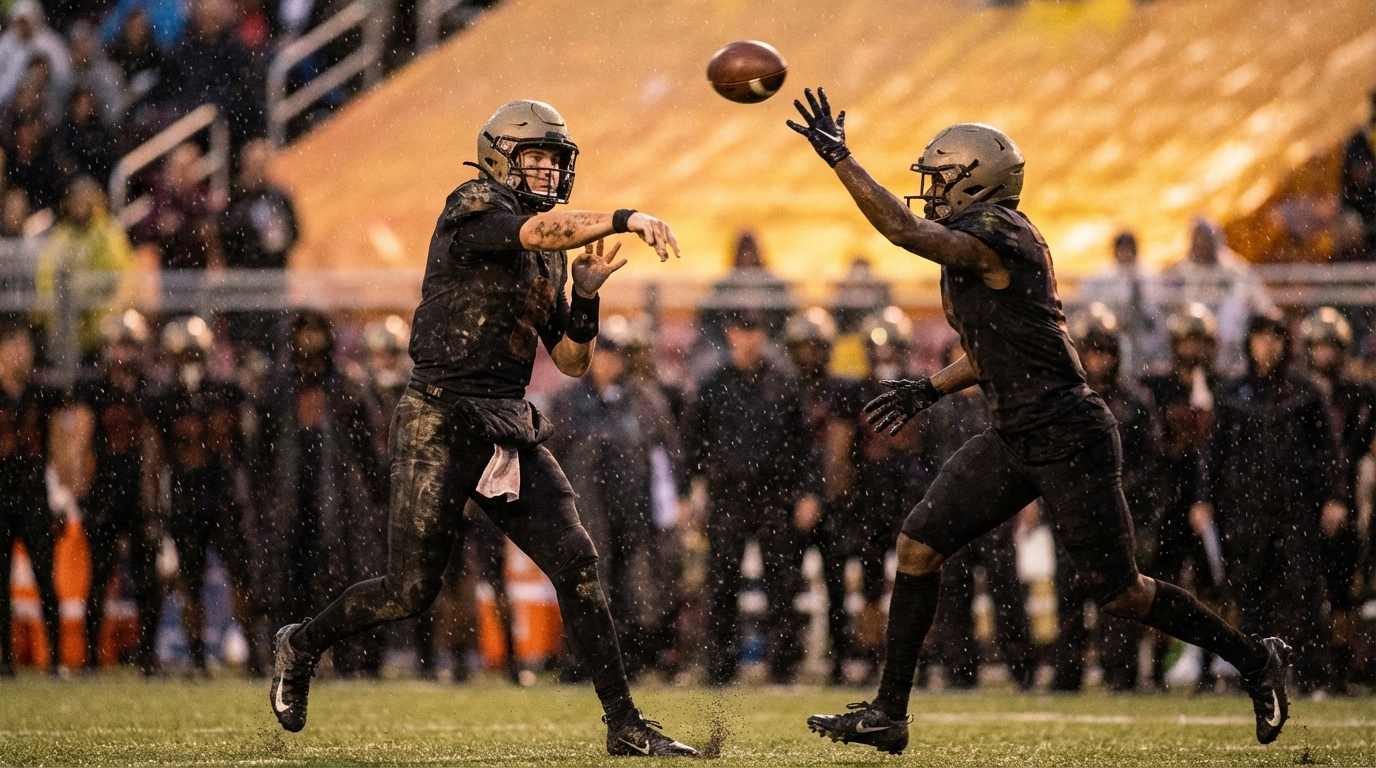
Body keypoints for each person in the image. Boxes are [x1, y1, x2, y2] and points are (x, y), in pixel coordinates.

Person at [787, 88, 1291, 753]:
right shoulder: (980, 242)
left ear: (978, 180)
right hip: (1016, 431)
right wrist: (929, 389)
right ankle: (889, 712)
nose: (931, 191)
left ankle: (1256, 659)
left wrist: (842, 161)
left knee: (1120, 593)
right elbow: (996, 347)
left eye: (940, 178)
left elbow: (904, 232)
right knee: (919, 545)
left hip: (1068, 433)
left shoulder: (1001, 233)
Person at [267, 99, 696, 757]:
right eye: (537, 157)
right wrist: (626, 218)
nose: (549, 171)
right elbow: (535, 233)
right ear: (500, 157)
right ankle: (301, 644)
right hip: (437, 416)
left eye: (556, 160)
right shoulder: (471, 203)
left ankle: (625, 725)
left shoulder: (551, 251)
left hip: (503, 422)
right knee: (409, 591)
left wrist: (585, 297)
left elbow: (575, 362)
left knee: (578, 562)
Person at [1193, 312, 1344, 694]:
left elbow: (1329, 452)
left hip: (1296, 510)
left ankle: (1312, 678)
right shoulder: (1231, 394)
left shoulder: (1306, 393)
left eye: (1275, 336)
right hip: (1245, 512)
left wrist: (1334, 497)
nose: (1268, 344)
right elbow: (1214, 453)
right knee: (1248, 596)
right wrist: (1203, 498)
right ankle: (1257, 679)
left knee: (1304, 595)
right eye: (1260, 336)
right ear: (1249, 342)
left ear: (1286, 342)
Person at [684, 308, 818, 687]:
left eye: (756, 330)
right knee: (722, 582)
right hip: (728, 497)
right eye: (743, 330)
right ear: (730, 334)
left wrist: (809, 491)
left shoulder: (784, 382)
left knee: (783, 583)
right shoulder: (713, 384)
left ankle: (783, 668)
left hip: (776, 497)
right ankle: (720, 668)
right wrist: (688, 493)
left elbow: (805, 442)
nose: (750, 338)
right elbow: (692, 442)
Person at [547, 319, 686, 679]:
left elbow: (666, 454)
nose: (610, 362)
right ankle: (582, 659)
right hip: (585, 509)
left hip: (634, 509)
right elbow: (549, 455)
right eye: (604, 354)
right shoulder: (568, 401)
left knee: (634, 587)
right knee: (588, 583)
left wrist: (671, 503)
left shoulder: (645, 400)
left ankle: (628, 660)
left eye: (616, 355)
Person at [259, 311, 388, 677]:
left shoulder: (345, 386)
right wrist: (265, 499)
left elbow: (367, 453)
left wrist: (378, 495)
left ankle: (346, 659)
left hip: (340, 501)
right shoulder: (280, 388)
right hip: (293, 498)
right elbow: (262, 454)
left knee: (342, 582)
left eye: (316, 333)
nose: (310, 342)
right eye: (305, 334)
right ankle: (294, 654)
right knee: (291, 582)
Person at [148, 316, 265, 675]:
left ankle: (254, 655)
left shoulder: (228, 392)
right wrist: (155, 511)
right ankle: (198, 658)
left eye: (195, 354)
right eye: (183, 356)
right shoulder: (163, 400)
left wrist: (251, 497)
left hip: (224, 498)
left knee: (242, 579)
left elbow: (249, 449)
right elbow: (155, 460)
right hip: (185, 500)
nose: (190, 362)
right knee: (189, 583)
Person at [1052, 305, 1159, 693]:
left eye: (1105, 351)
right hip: (1072, 513)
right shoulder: (1060, 401)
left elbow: (1150, 463)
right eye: (1092, 351)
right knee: (1069, 596)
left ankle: (1122, 673)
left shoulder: (1136, 401)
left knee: (1119, 598)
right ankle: (1067, 674)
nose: (1099, 360)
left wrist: (1115, 490)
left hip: (1117, 514)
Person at [919, 340, 1036, 692]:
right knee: (953, 592)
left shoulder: (999, 402)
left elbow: (1022, 453)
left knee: (1006, 590)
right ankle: (960, 671)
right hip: (953, 513)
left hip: (996, 509)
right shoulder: (938, 409)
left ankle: (1021, 667)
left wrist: (1027, 499)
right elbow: (924, 463)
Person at [1139, 303, 1227, 690]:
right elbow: (1149, 447)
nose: (1194, 350)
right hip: (1169, 499)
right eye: (1187, 342)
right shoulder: (1158, 387)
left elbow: (1228, 449)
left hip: (1212, 501)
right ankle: (1157, 669)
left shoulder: (1225, 387)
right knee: (1162, 586)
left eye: (1200, 342)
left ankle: (1208, 669)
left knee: (1212, 589)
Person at [69, 310, 162, 674]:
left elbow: (154, 447)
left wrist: (155, 496)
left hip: (138, 493)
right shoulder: (94, 388)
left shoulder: (149, 389)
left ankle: (148, 656)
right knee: (100, 577)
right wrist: (78, 483)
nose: (124, 352)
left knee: (147, 580)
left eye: (129, 344)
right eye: (119, 344)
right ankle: (91, 655)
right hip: (104, 491)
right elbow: (81, 439)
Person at [1299, 307, 1374, 693]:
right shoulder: (1296, 392)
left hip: (1347, 497)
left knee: (1344, 588)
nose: (1326, 354)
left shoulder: (1360, 394)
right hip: (1304, 498)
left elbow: (1360, 450)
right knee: (1302, 588)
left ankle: (1341, 668)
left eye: (1332, 346)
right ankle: (1306, 666)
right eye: (1319, 345)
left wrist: (1342, 494)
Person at [781, 307, 856, 684]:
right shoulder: (783, 389)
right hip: (791, 503)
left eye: (815, 346)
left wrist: (821, 496)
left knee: (837, 586)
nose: (809, 354)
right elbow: (782, 452)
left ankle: (841, 660)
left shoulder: (842, 390)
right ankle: (785, 661)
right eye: (803, 346)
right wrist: (798, 495)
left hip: (832, 503)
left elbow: (842, 454)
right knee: (785, 585)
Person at [0, 317, 64, 675]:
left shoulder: (42, 394)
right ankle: (5, 658)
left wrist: (59, 494)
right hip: (2, 498)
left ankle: (55, 658)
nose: (20, 355)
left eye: (25, 348)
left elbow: (55, 446)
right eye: (14, 348)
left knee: (45, 577)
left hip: (33, 496)